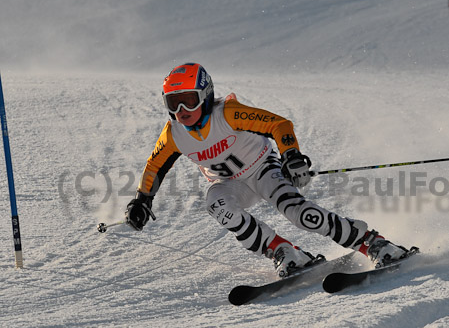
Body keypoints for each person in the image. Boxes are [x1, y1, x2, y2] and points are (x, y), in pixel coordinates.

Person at [125, 62, 410, 277]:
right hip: (229, 184)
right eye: (173, 103)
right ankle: (283, 251)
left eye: (189, 99)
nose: (182, 110)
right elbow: (155, 166)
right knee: (216, 204)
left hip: (262, 169)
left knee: (301, 215)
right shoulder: (174, 134)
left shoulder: (228, 113)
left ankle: (373, 243)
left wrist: (292, 157)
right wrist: (142, 199)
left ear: (206, 95)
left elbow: (279, 125)